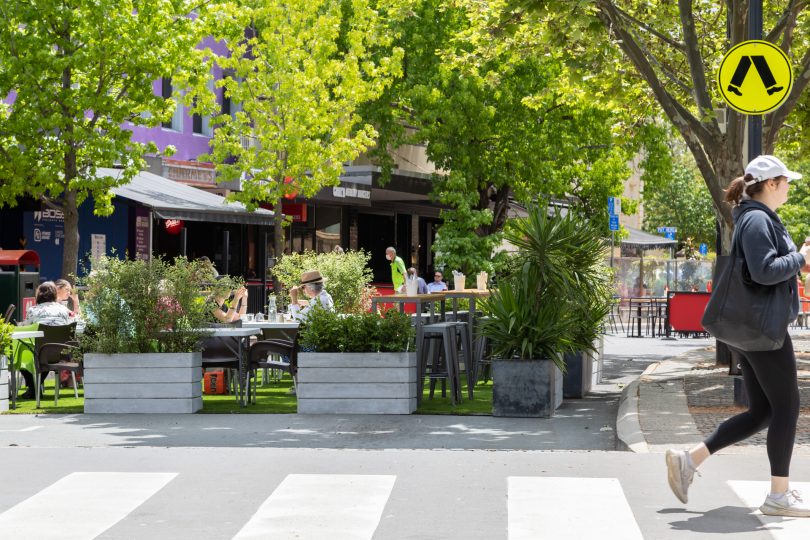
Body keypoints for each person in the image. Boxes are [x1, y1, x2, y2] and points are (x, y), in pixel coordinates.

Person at [665, 155, 810, 517]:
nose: (790, 187)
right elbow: (764, 272)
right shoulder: (758, 220)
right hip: (763, 330)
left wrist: (795, 258)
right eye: (786, 181)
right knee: (788, 407)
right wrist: (801, 258)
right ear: (771, 184)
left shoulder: (754, 218)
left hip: (754, 328)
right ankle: (779, 495)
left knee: (763, 411)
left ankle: (688, 460)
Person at [18, 281, 76, 397]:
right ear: (55, 294)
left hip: (41, 352)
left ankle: (33, 388)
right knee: (39, 355)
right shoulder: (64, 310)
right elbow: (72, 324)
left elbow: (26, 327)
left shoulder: (33, 310)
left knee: (19, 354)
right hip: (62, 353)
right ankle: (35, 388)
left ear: (39, 295)